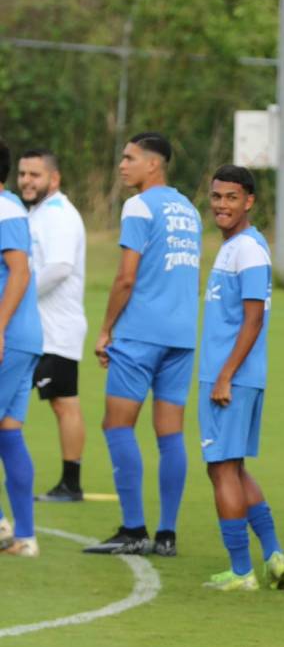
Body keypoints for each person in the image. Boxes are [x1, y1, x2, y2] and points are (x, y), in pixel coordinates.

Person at [87, 132, 201, 556]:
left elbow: (126, 276)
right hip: (181, 335)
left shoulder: (138, 206)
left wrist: (105, 330)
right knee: (170, 434)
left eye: (129, 157)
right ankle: (167, 535)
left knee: (117, 426)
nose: (122, 164)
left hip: (140, 333)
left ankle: (134, 529)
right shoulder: (189, 209)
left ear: (153, 164)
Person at [198, 165, 284, 591]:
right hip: (234, 375)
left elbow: (254, 319)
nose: (222, 204)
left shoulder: (249, 249)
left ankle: (240, 572)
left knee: (220, 469)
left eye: (232, 197)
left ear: (249, 201)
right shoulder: (236, 246)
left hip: (231, 377)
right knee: (232, 467)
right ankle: (273, 555)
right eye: (217, 196)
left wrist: (225, 375)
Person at [16, 149, 88, 502]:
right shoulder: (40, 213)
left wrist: (19, 295)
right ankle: (70, 483)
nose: (27, 181)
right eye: (23, 174)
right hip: (42, 330)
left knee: (64, 404)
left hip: (54, 331)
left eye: (35, 175)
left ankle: (71, 484)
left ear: (54, 178)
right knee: (63, 402)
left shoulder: (58, 215)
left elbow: (59, 267)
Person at [0, 138, 42, 556]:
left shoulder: (5, 209)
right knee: (9, 433)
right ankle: (24, 537)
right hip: (22, 336)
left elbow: (20, 272)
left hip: (9, 335)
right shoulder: (11, 204)